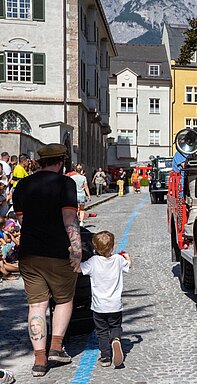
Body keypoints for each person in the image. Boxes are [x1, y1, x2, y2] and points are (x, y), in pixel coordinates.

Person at [12, 143, 82, 377]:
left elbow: (21, 219)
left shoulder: (22, 185)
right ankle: (55, 347)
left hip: (30, 253)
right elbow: (69, 217)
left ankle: (39, 362)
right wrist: (77, 250)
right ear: (61, 161)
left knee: (36, 305)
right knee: (63, 300)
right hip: (58, 251)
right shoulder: (66, 183)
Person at [80, 231, 131, 368]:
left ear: (95, 248)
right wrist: (127, 256)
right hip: (115, 304)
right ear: (113, 247)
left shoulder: (93, 262)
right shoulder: (118, 260)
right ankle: (115, 339)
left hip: (98, 306)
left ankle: (105, 357)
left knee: (102, 332)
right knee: (115, 326)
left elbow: (79, 269)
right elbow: (129, 265)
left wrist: (73, 255)